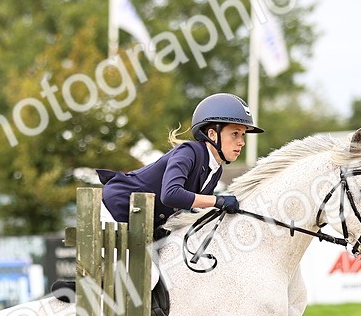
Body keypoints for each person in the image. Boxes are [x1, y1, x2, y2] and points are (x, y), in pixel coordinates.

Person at [96, 93, 261, 236]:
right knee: (149, 272)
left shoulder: (215, 169)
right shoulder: (189, 152)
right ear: (212, 134)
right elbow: (171, 194)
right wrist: (218, 201)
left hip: (143, 221)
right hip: (117, 208)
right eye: (235, 134)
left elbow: (197, 210)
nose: (241, 142)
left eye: (243, 135)